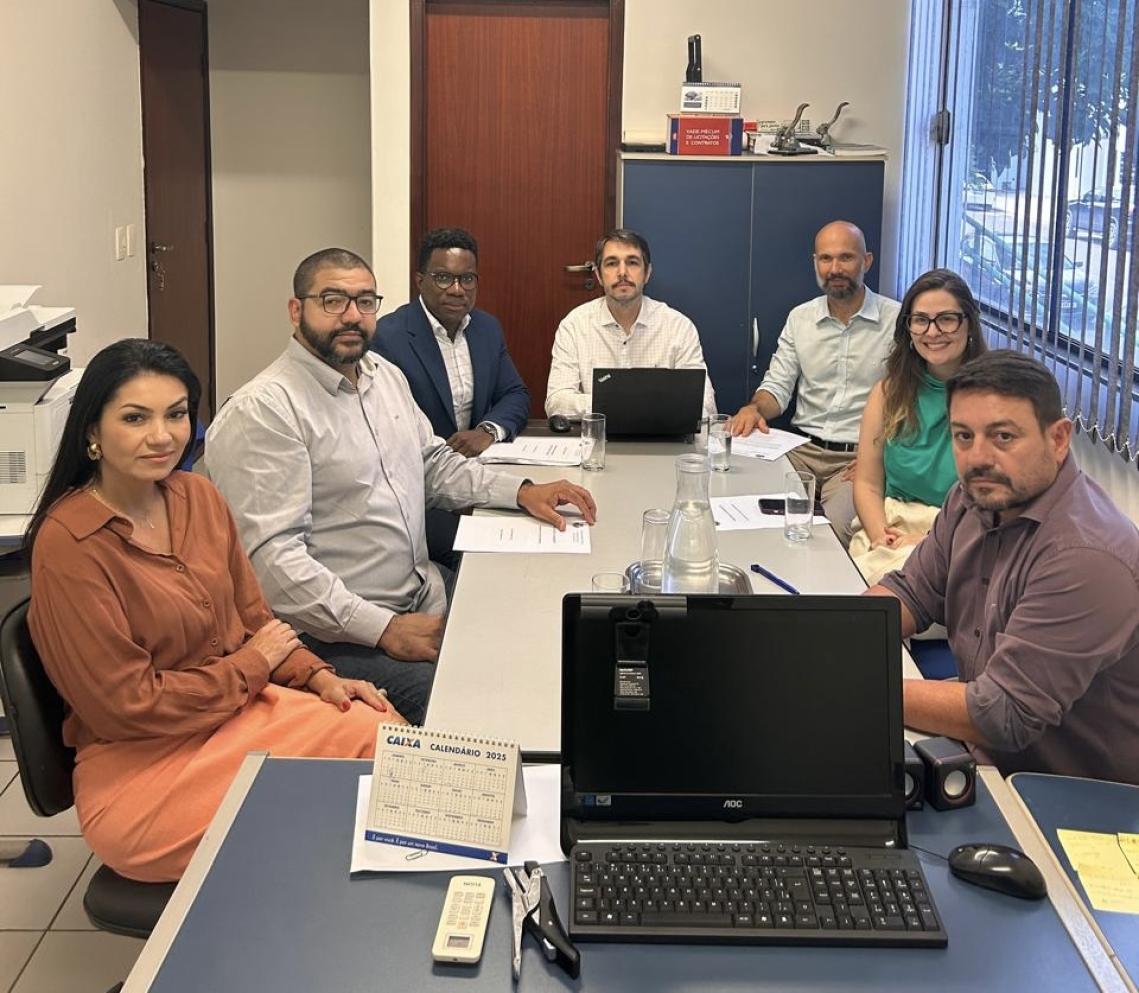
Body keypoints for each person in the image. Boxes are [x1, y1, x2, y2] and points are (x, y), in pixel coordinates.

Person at [25, 339, 402, 883]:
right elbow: (126, 705)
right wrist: (252, 665)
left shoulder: (196, 496)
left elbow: (255, 620)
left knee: (381, 733)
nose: (162, 436)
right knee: (350, 802)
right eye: (135, 418)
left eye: (176, 414)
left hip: (234, 715)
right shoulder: (69, 544)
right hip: (145, 768)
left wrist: (319, 677)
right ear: (92, 433)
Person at [205, 248, 596, 726]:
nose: (352, 315)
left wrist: (520, 492)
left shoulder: (384, 377)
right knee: (478, 711)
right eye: (332, 300)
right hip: (335, 634)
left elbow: (432, 465)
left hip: (420, 590)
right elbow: (273, 567)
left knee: (538, 635)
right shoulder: (264, 411)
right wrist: (385, 629)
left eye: (365, 301)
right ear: (295, 310)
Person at [867, 351, 1139, 784]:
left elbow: (1003, 714)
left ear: (1058, 439)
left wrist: (860, 691)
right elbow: (910, 593)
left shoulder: (1087, 557)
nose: (978, 458)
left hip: (1068, 793)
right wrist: (831, 639)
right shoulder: (973, 498)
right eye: (963, 436)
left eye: (1003, 437)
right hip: (987, 756)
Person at [729, 221, 901, 544]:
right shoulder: (801, 318)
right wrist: (754, 409)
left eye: (846, 257)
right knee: (745, 508)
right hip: (800, 451)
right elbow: (777, 386)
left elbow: (909, 402)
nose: (835, 269)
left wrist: (881, 461)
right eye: (825, 258)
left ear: (867, 261)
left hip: (855, 461)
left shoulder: (897, 322)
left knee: (829, 537)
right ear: (815, 263)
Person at [373, 227, 530, 566]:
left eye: (467, 279)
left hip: (482, 472)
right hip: (422, 493)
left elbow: (515, 394)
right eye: (443, 278)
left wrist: (487, 431)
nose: (457, 290)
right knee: (486, 557)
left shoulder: (486, 328)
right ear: (420, 281)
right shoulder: (388, 337)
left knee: (531, 528)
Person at [849, 269, 987, 585]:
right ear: (908, 328)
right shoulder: (888, 393)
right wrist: (880, 535)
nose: (932, 332)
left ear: (969, 324)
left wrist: (927, 541)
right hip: (890, 524)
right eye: (920, 320)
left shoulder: (994, 399)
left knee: (874, 598)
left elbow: (997, 507)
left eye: (946, 319)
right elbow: (868, 484)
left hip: (961, 534)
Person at [544, 228, 718, 420]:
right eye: (612, 263)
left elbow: (705, 405)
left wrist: (614, 404)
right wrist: (631, 403)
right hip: (599, 435)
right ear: (599, 276)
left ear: (647, 273)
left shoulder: (678, 327)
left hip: (663, 436)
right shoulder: (574, 325)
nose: (622, 272)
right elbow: (556, 403)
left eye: (632, 262)